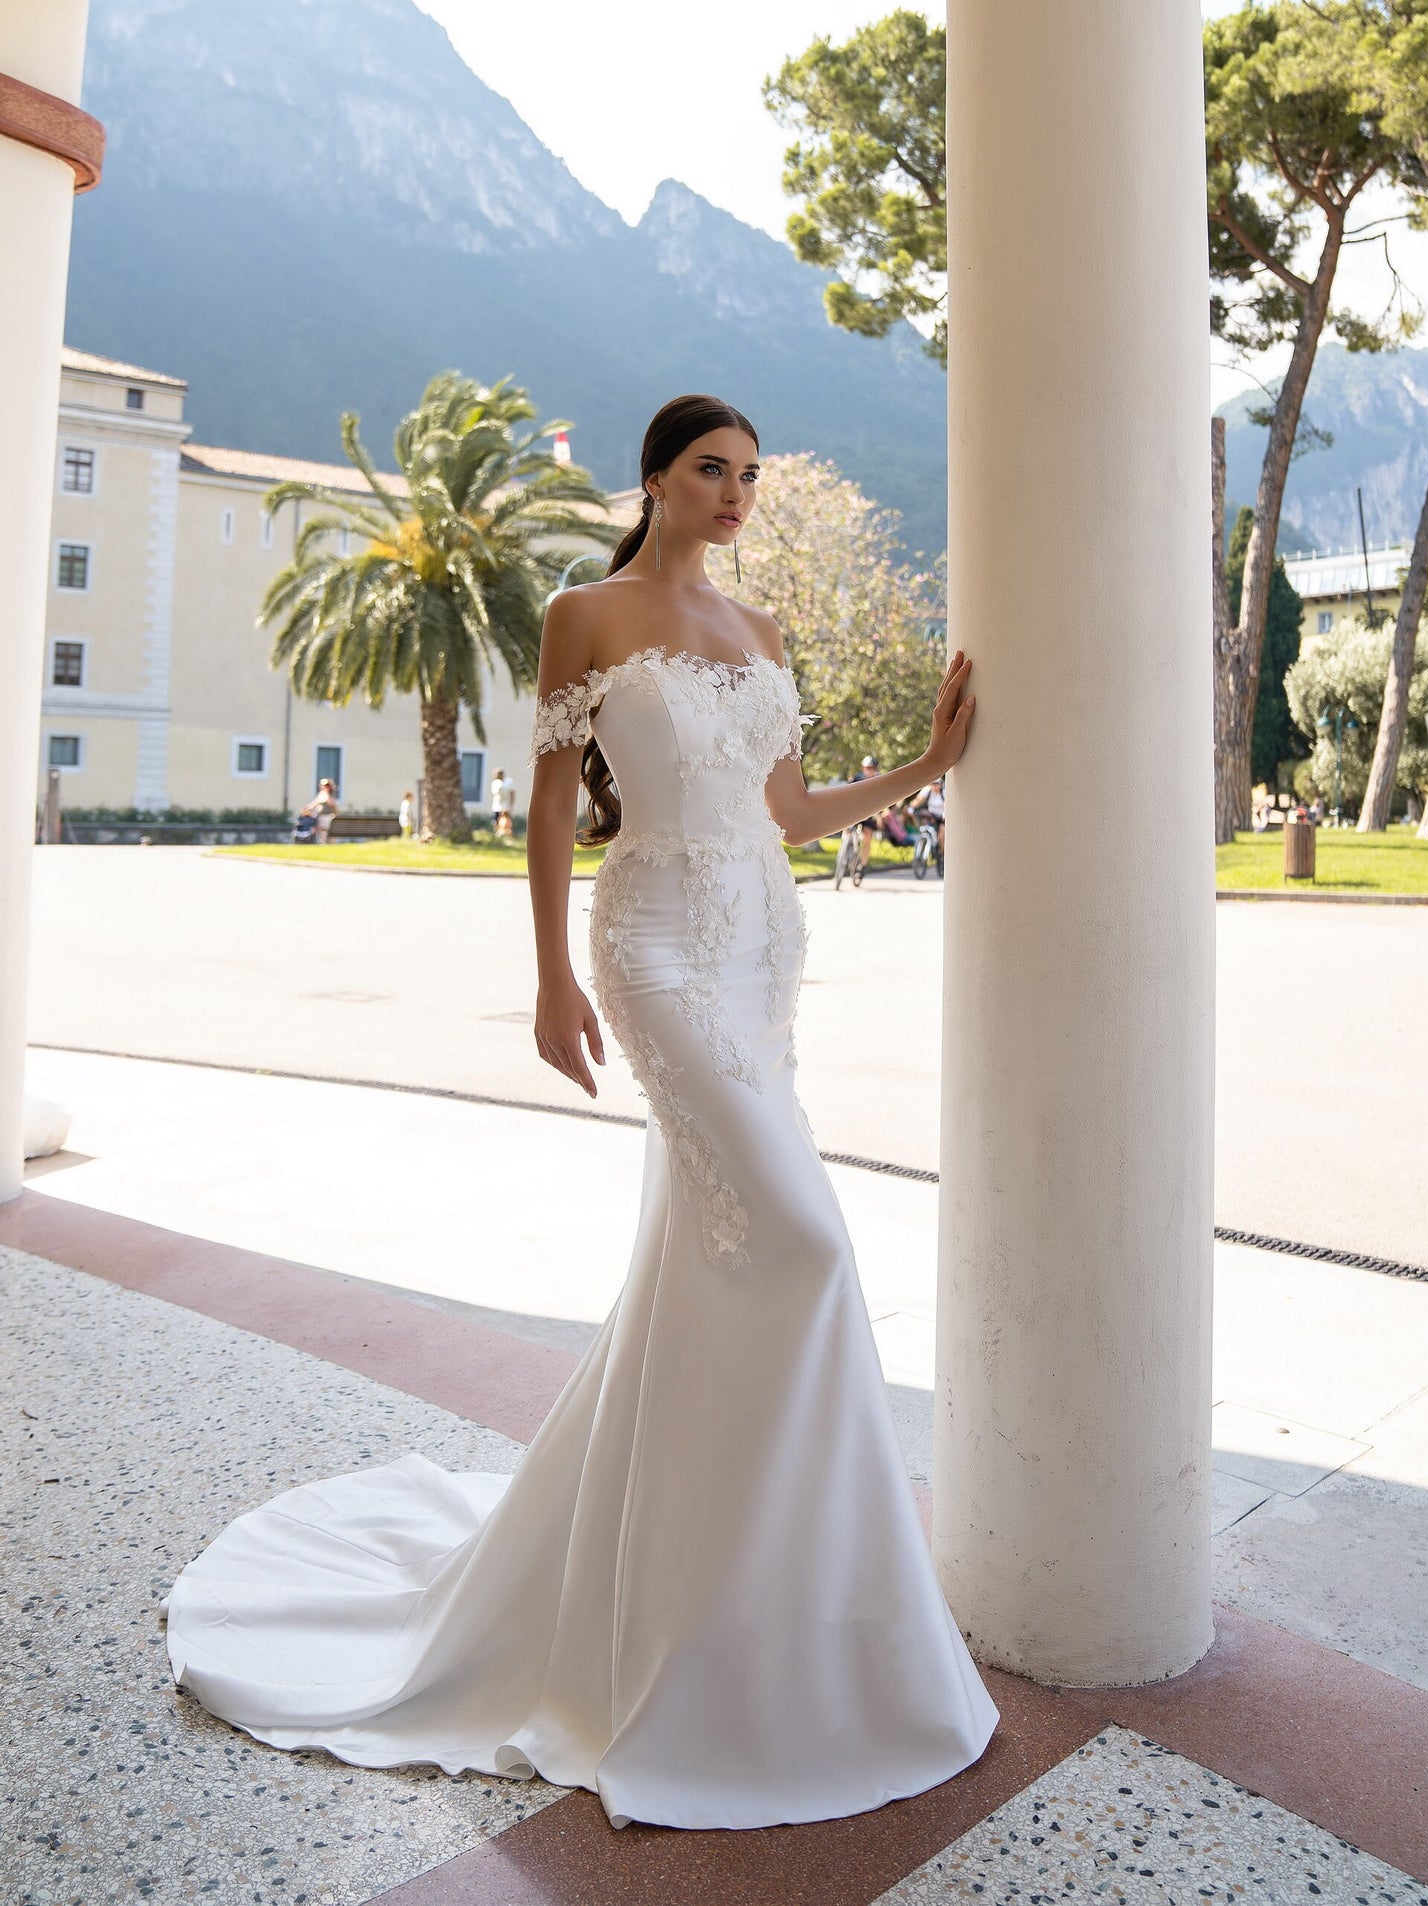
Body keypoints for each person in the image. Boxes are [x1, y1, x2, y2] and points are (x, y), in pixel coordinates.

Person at [160, 395, 992, 1833]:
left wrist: (921, 768)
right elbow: (553, 804)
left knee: (715, 1263)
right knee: (800, 1245)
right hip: (658, 942)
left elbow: (786, 810)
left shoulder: (770, 632)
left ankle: (735, 1599)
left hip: (762, 953)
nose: (734, 494)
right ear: (655, 480)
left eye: (748, 476)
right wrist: (549, 976)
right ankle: (719, 1605)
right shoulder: (583, 613)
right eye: (710, 471)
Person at [849, 753, 885, 871]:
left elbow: (883, 801)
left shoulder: (879, 781)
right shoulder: (857, 778)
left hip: (871, 813)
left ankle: (862, 866)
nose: (869, 771)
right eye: (866, 768)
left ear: (875, 769)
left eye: (871, 769)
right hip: (856, 811)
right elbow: (847, 793)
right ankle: (846, 853)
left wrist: (879, 816)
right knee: (847, 829)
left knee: (867, 836)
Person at [291, 776, 338, 844]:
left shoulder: (326, 795)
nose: (324, 787)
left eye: (326, 785)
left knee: (322, 830)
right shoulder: (322, 794)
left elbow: (332, 805)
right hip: (322, 817)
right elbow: (313, 804)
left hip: (326, 817)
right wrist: (305, 810)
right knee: (316, 828)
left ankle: (323, 843)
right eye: (323, 785)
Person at [490, 765, 516, 838]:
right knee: (496, 821)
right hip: (497, 805)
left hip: (506, 805)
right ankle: (497, 835)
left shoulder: (509, 782)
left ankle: (508, 835)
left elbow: (512, 793)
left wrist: (511, 804)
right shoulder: (495, 783)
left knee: (507, 821)